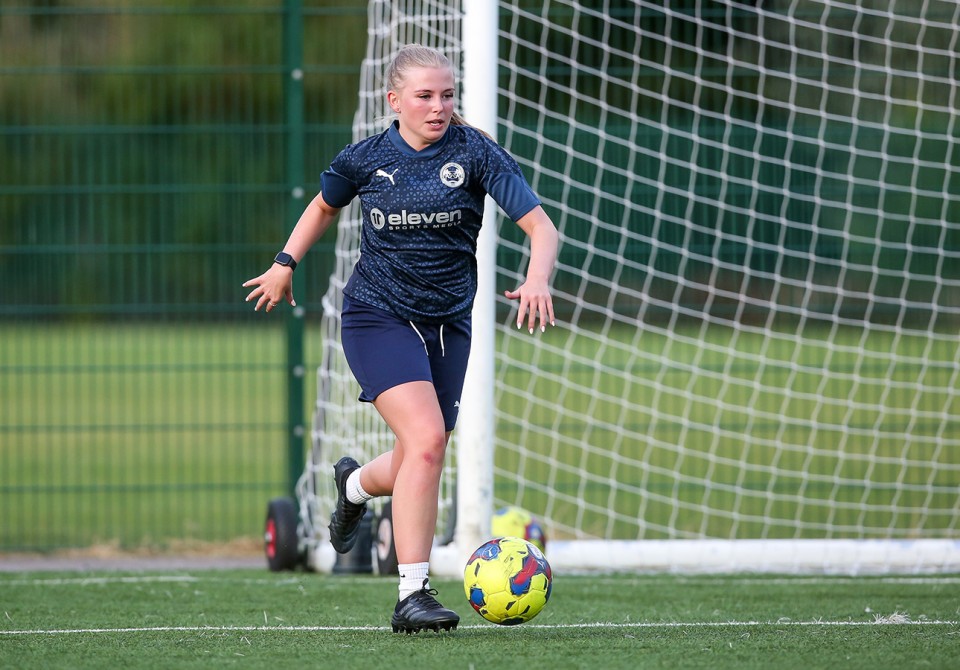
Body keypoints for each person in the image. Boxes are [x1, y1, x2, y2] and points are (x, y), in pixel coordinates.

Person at [243, 44, 559, 634]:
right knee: (429, 439)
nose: (438, 106)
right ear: (395, 101)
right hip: (377, 316)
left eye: (446, 94)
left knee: (426, 449)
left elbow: (540, 226)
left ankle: (356, 484)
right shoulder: (365, 158)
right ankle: (412, 594)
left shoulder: (475, 153)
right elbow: (322, 206)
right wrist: (285, 261)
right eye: (424, 96)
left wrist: (537, 274)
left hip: (449, 324)